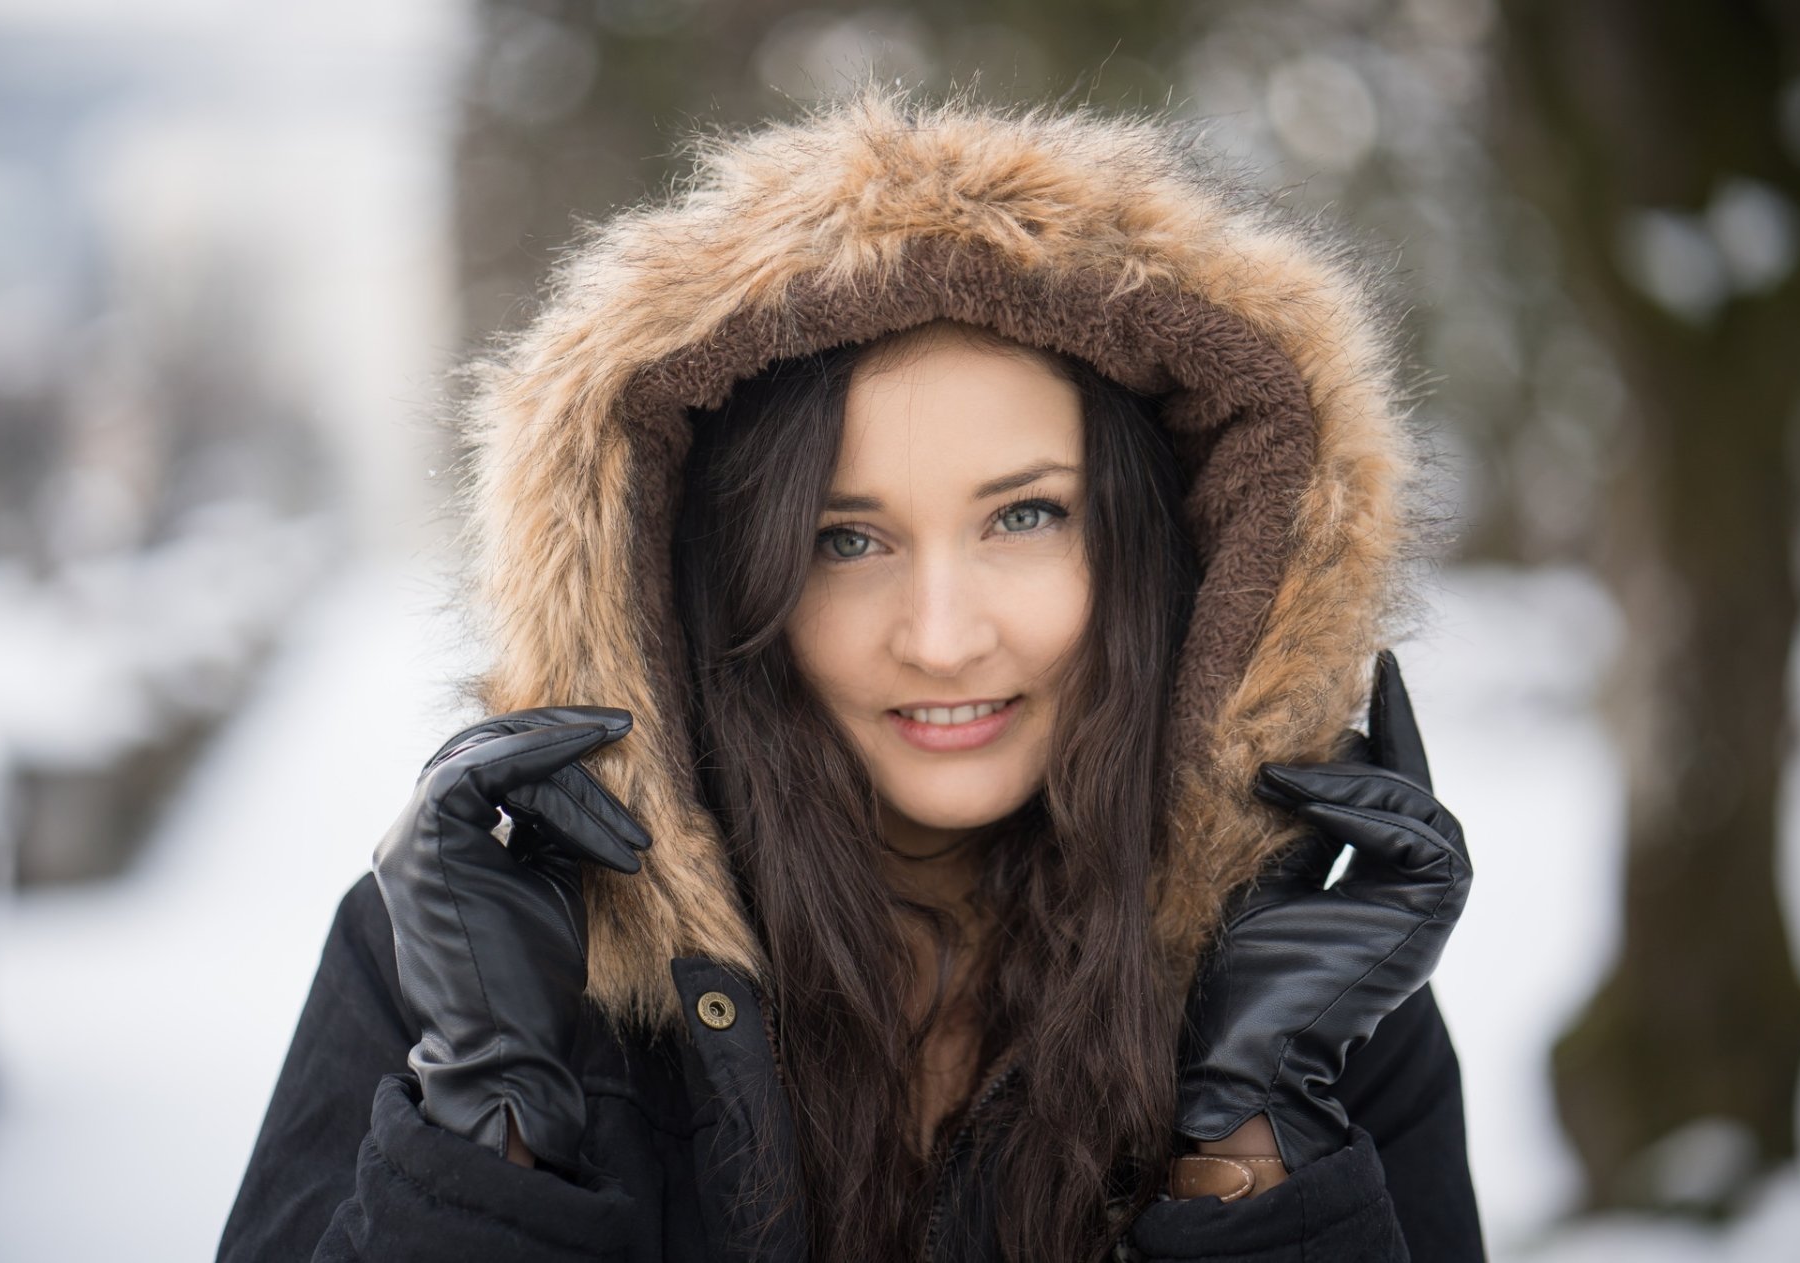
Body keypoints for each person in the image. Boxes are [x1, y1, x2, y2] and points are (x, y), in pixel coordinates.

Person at [218, 86, 1484, 1263]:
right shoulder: (472, 963)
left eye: (1025, 517)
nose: (940, 637)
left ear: (1166, 549)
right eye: (846, 540)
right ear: (705, 575)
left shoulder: (1309, 1001)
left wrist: (1249, 1129)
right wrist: (494, 1114)